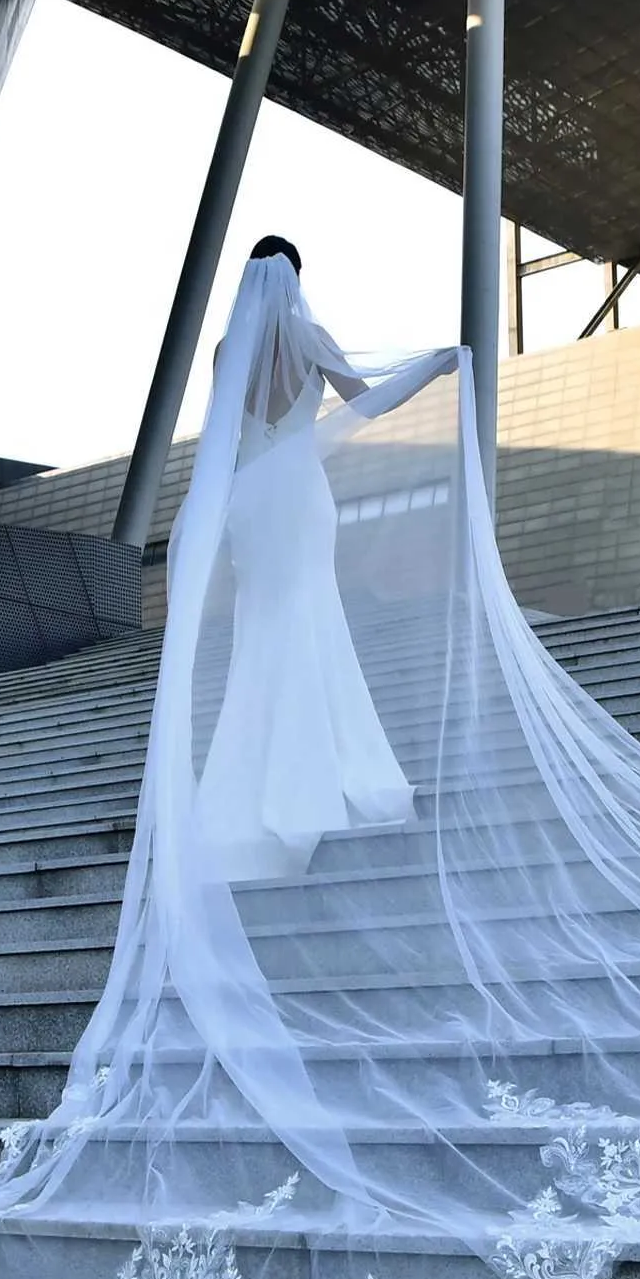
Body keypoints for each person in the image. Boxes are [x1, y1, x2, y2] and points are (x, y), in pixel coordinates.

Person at [192, 239, 412, 879]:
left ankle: (252, 786)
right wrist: (428, 370)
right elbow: (365, 402)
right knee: (313, 622)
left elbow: (221, 441)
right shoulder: (310, 338)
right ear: (294, 280)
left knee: (260, 632)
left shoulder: (229, 352)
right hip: (301, 500)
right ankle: (318, 775)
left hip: (251, 506)